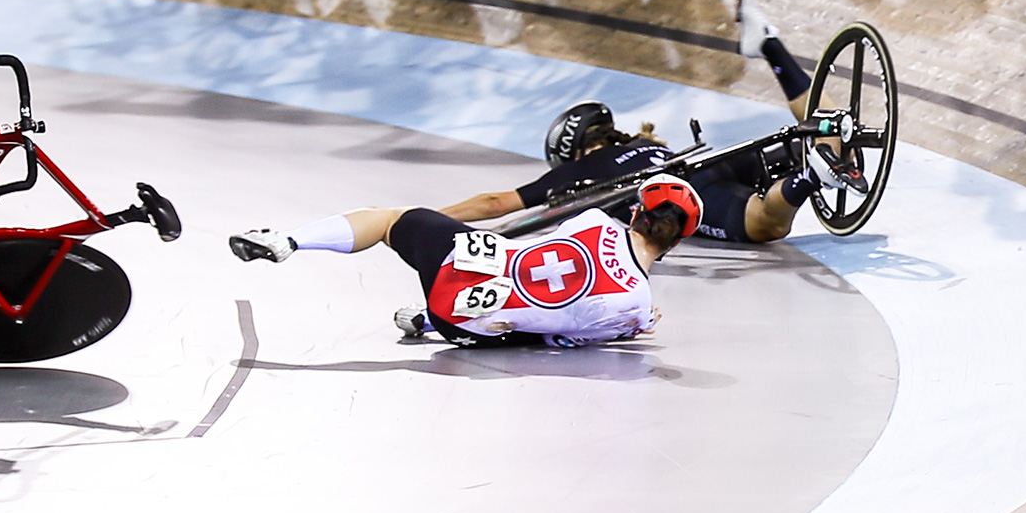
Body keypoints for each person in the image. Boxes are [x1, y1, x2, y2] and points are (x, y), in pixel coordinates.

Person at [431, 0, 866, 247]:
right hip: (706, 165)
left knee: (764, 225)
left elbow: (495, 205)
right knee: (824, 130)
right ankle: (770, 46)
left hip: (684, 191)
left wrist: (429, 215)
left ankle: (809, 177)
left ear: (575, 152)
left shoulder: (584, 172)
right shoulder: (640, 145)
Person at [228, 176, 703, 348]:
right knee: (529, 329)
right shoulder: (636, 304)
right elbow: (563, 335)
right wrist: (636, 323)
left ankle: (290, 240)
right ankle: (431, 320)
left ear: (637, 211)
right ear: (679, 240)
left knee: (390, 221)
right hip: (468, 326)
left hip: (470, 261)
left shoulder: (596, 221)